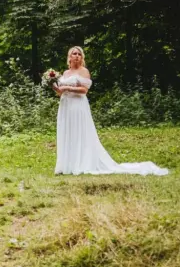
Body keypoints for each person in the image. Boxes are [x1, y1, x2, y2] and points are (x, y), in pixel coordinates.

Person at [54, 46, 168, 176]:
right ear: (69, 57)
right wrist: (52, 84)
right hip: (65, 106)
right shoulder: (65, 73)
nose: (76, 56)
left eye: (79, 54)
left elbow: (84, 90)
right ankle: (67, 165)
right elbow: (59, 92)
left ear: (82, 57)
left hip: (78, 106)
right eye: (74, 54)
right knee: (68, 132)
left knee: (79, 132)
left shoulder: (84, 71)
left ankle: (80, 163)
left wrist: (67, 87)